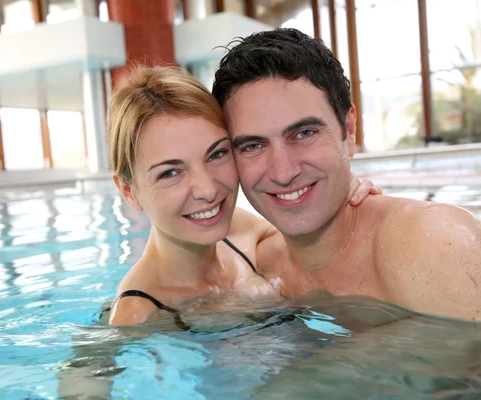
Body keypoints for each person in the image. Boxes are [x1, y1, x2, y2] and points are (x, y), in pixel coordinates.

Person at [211, 28, 481, 321]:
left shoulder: (435, 245)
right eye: (252, 145)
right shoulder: (255, 268)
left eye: (304, 133)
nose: (283, 172)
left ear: (348, 130)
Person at [106, 65, 380, 326]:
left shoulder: (242, 231)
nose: (208, 190)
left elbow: (313, 242)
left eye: (217, 154)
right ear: (129, 192)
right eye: (169, 173)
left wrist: (341, 196)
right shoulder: (139, 315)